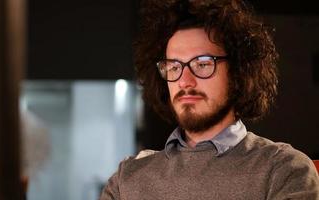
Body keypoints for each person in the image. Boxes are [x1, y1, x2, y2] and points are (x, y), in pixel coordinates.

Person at [100, 0, 319, 199]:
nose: (185, 81)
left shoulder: (283, 170)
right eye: (174, 67)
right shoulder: (126, 179)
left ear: (237, 72)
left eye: (203, 64)